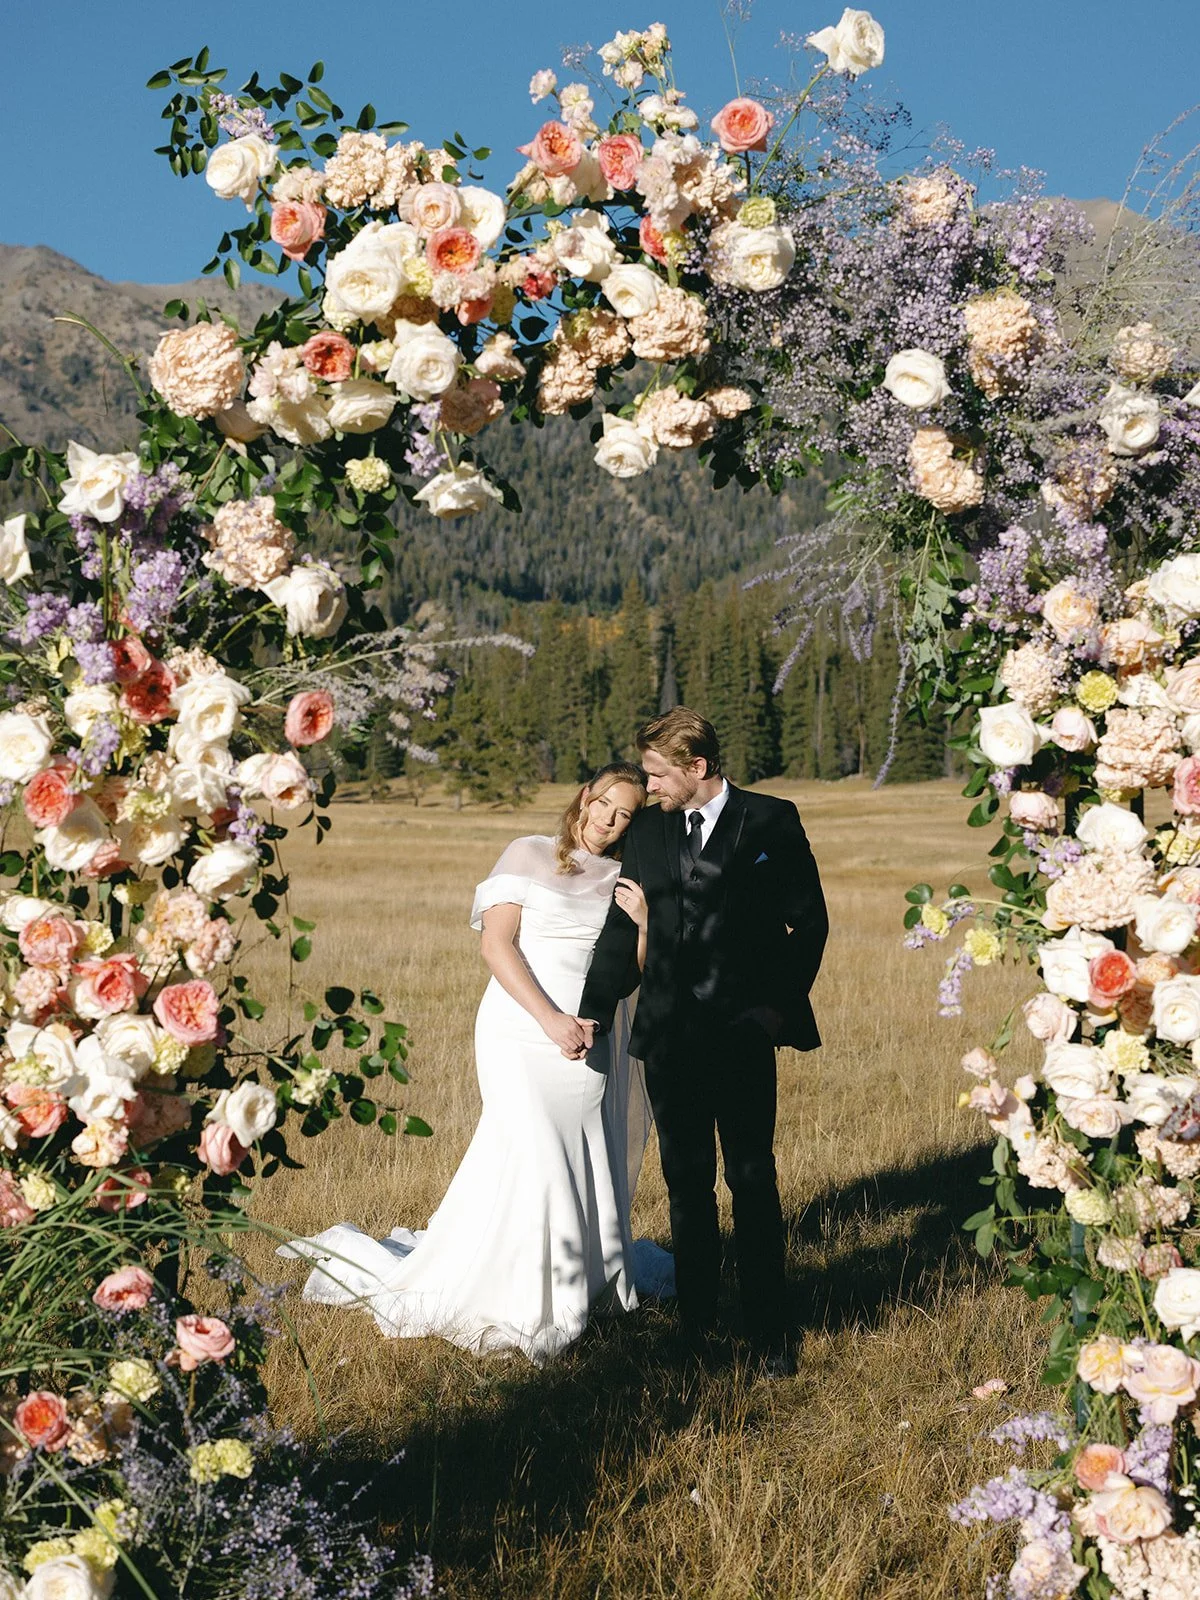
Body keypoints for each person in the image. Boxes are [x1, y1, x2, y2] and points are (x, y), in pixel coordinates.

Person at [277, 762, 652, 1365]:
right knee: (534, 1147)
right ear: (585, 796)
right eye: (605, 803)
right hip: (520, 1024)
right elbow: (495, 944)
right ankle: (528, 1294)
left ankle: (581, 1276)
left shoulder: (625, 878)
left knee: (579, 1148)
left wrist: (641, 925)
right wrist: (549, 1019)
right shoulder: (529, 853)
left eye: (625, 813)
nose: (609, 821)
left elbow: (634, 971)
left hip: (587, 1031)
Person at [578, 708, 828, 1373]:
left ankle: (770, 1334)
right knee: (686, 1186)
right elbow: (616, 929)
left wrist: (774, 1014)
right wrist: (591, 1013)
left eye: (659, 774)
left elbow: (809, 925)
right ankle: (697, 1330)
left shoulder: (773, 820)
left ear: (696, 767)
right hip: (668, 1039)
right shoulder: (652, 832)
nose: (649, 788)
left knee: (753, 1181)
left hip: (743, 1037)